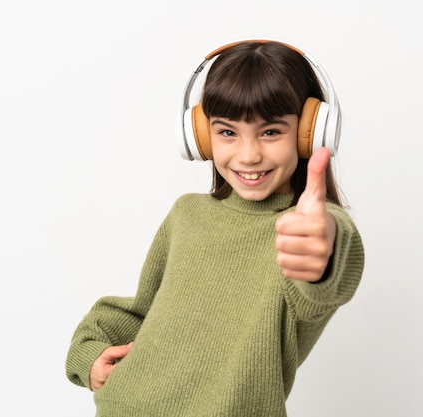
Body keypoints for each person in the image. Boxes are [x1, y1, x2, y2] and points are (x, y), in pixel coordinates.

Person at [65, 39, 365, 416]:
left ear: (309, 133)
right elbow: (141, 311)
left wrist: (324, 247)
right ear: (202, 136)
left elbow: (327, 268)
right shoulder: (186, 215)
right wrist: (89, 354)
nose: (248, 154)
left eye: (271, 132)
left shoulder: (307, 229)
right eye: (227, 132)